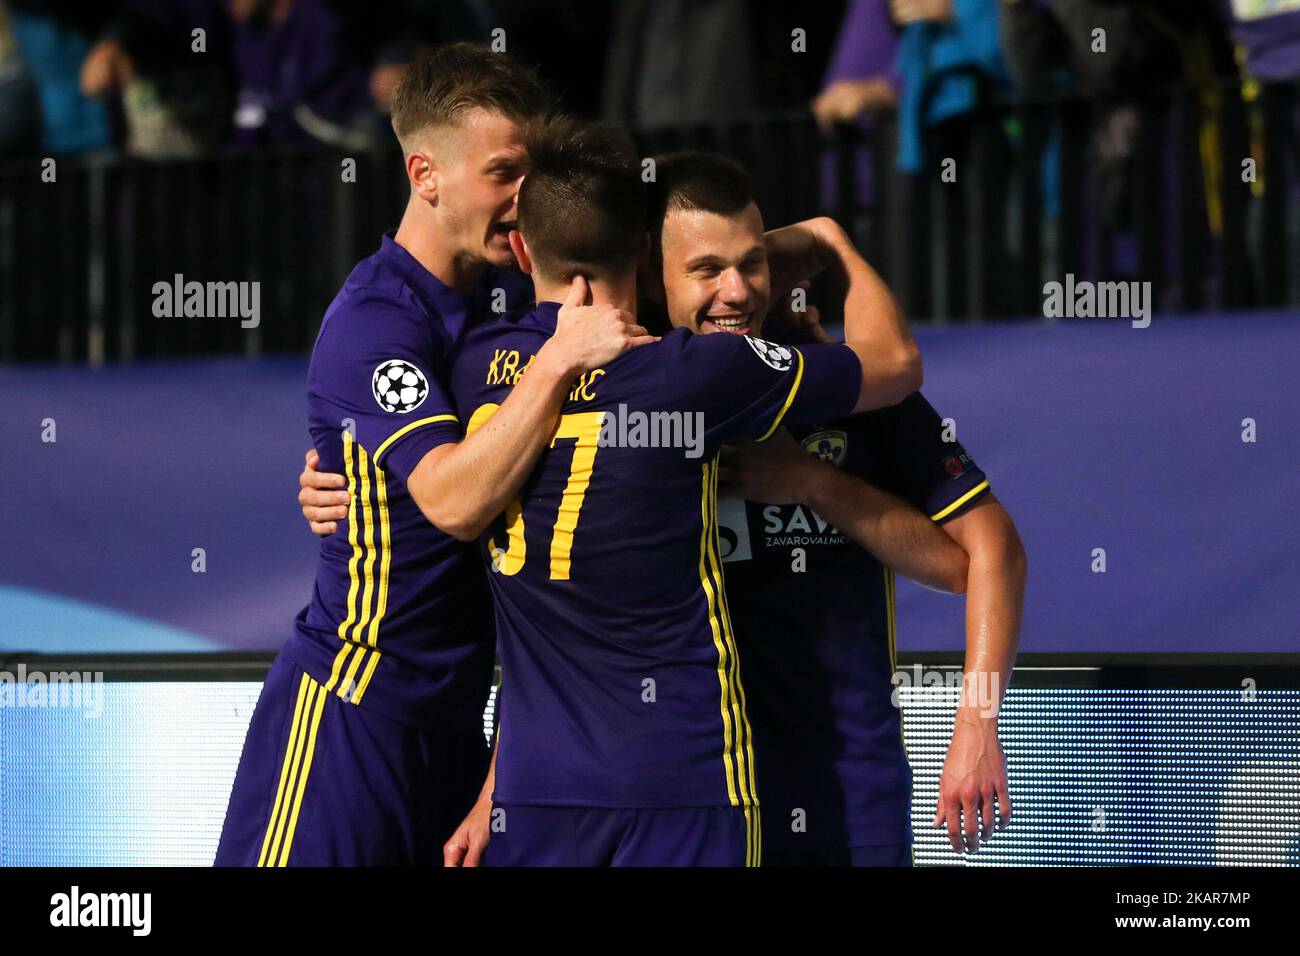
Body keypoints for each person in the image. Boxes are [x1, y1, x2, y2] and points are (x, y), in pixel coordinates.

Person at [215, 44, 653, 866]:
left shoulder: (513, 291)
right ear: (426, 175)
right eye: (504, 173)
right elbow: (453, 502)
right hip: (354, 712)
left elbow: (647, 238)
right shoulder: (373, 321)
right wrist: (557, 362)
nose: (527, 200)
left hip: (463, 729)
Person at [441, 117, 919, 866]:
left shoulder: (469, 369)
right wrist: (834, 245)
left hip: (536, 791)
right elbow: (893, 362)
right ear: (643, 252)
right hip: (683, 776)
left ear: (525, 250)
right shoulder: (695, 374)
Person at [645, 152, 1025, 862]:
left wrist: (977, 722)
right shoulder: (624, 394)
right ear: (653, 273)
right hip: (685, 799)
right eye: (706, 270)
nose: (735, 292)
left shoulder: (848, 388)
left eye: (752, 263)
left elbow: (986, 556)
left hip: (849, 798)